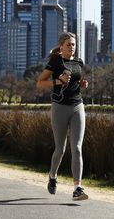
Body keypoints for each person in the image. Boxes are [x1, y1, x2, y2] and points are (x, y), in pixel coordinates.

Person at [36, 32, 89, 201]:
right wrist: (57, 82)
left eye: (74, 44)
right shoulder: (55, 61)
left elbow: (77, 82)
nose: (72, 47)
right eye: (68, 44)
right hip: (59, 107)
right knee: (61, 148)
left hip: (77, 106)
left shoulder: (79, 62)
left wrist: (82, 84)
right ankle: (52, 176)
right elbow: (40, 83)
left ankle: (77, 188)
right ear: (61, 46)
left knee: (77, 148)